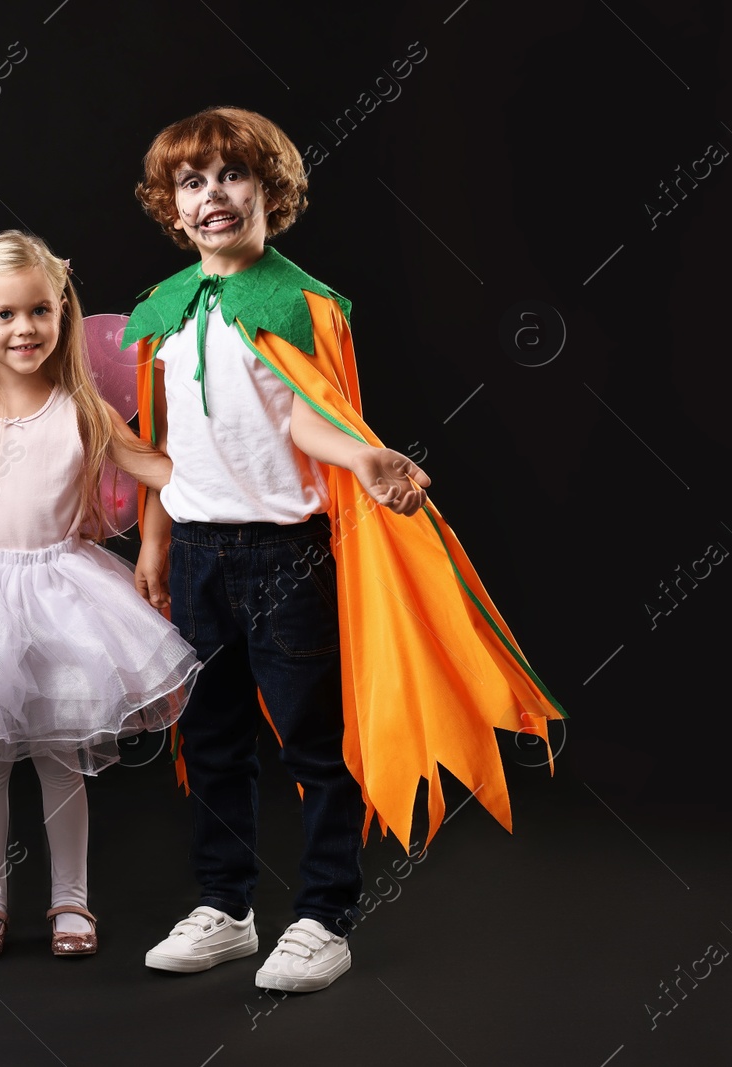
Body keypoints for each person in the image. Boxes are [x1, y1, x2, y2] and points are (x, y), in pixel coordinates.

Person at [128, 107, 563, 993]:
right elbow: (161, 439)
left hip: (285, 558)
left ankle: (324, 915)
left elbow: (310, 413)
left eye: (233, 176)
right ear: (172, 207)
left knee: (313, 746)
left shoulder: (299, 300)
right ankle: (227, 904)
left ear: (270, 191)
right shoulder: (163, 310)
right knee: (210, 740)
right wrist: (155, 542)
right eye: (193, 182)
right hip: (198, 554)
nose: (214, 196)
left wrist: (365, 455)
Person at [0, 231, 199, 960]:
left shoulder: (82, 408)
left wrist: (152, 542)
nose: (25, 330)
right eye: (5, 316)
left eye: (40, 311)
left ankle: (71, 899)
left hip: (65, 593)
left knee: (59, 754)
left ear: (63, 310)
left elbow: (162, 469)